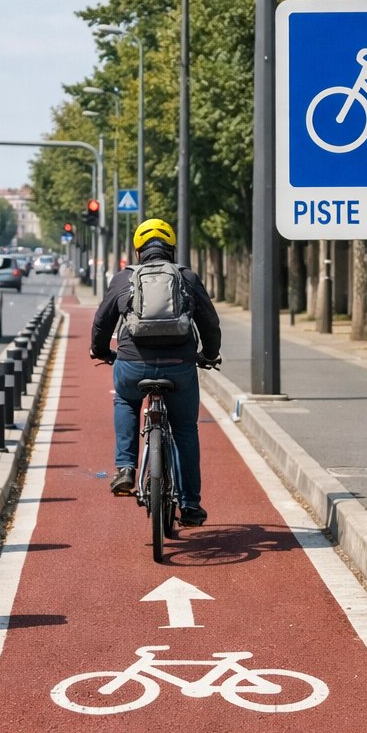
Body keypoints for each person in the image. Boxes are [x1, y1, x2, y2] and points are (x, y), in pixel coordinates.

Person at [90, 218, 221, 528]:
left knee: (125, 400)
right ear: (171, 249)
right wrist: (209, 355)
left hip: (133, 364)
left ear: (138, 252)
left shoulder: (124, 279)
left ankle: (124, 469)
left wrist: (101, 351)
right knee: (186, 430)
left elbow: (101, 322)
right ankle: (190, 505)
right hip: (180, 366)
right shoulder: (186, 277)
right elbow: (209, 323)